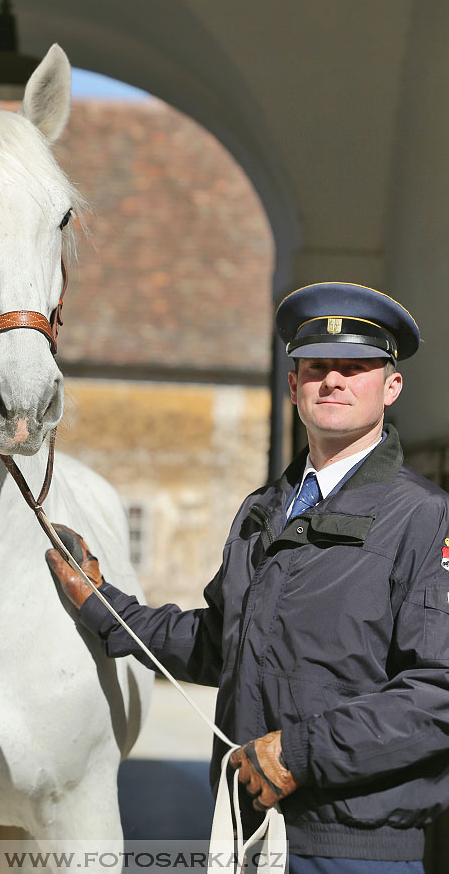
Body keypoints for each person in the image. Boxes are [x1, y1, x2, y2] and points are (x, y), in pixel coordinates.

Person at [47, 282, 449, 874]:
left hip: (354, 849)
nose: (332, 381)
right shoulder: (264, 509)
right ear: (293, 385)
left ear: (390, 386)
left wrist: (299, 752)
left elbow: (438, 694)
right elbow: (221, 644)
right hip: (247, 836)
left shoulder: (422, 516)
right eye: (316, 367)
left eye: (355, 367)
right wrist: (104, 607)